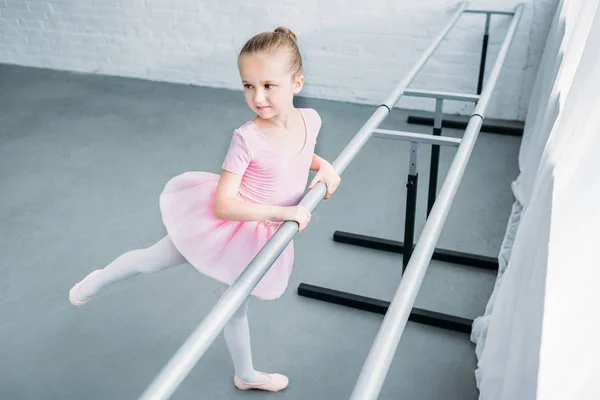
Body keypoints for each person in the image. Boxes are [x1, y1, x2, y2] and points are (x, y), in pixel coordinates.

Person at [68, 26, 341, 393]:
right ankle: (98, 279)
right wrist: (282, 212)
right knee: (152, 259)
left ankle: (245, 375)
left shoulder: (311, 120)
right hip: (227, 224)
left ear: (297, 83)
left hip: (263, 232)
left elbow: (296, 155)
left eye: (268, 85)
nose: (257, 96)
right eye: (248, 86)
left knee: (235, 304)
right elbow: (224, 205)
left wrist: (324, 166)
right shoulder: (247, 137)